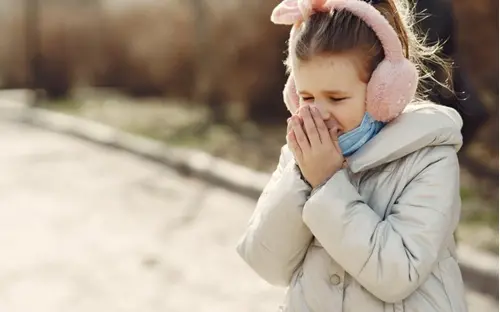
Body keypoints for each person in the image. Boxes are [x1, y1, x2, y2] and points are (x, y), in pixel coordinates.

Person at [236, 0, 468, 311]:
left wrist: (328, 183)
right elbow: (265, 262)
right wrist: (303, 178)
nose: (319, 113)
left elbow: (397, 274)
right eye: (306, 97)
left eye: (336, 98)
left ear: (381, 92)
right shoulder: (299, 158)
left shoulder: (429, 158)